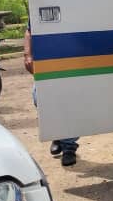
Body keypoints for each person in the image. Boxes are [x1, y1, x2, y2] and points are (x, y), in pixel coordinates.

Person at [23, 23, 79, 166]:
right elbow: (29, 30)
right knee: (39, 98)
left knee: (70, 102)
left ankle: (68, 147)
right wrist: (27, 55)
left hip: (73, 57)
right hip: (47, 57)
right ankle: (58, 134)